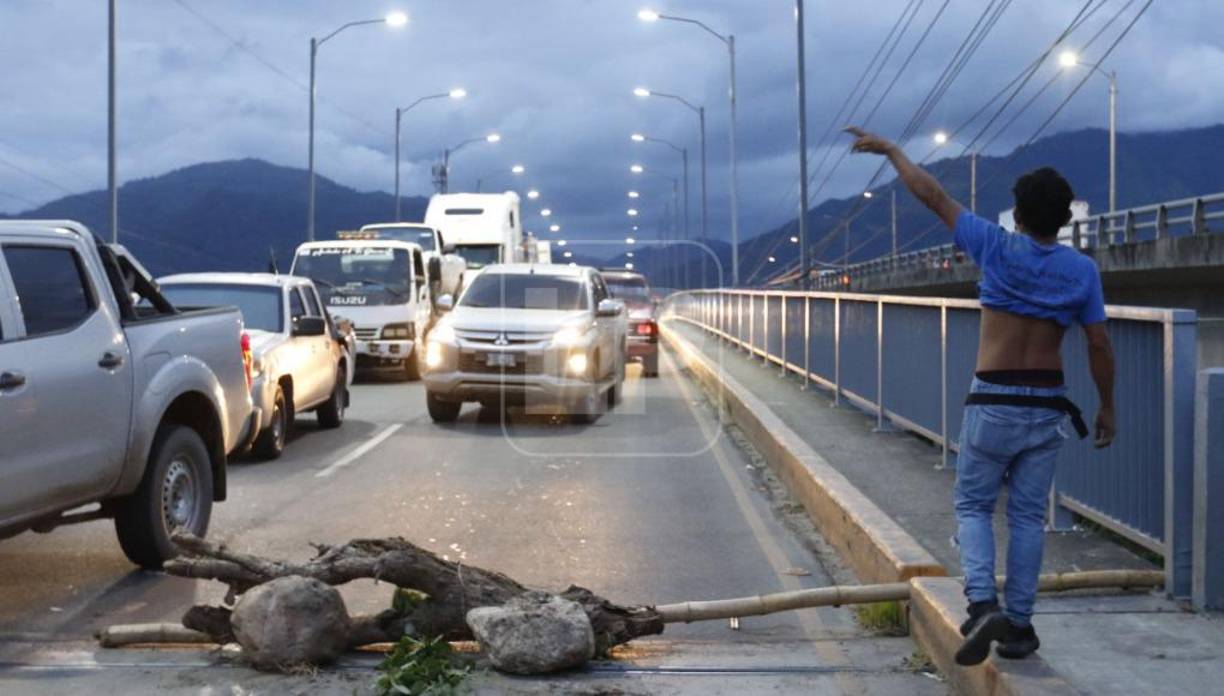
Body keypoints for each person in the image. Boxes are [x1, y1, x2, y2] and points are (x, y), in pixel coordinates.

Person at [845, 127, 1116, 666]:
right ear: (1065, 219)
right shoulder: (1082, 271)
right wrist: (1108, 405)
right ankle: (1019, 626)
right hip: (1047, 405)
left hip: (993, 398)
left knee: (973, 504)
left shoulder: (995, 245)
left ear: (1018, 217)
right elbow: (1098, 343)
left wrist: (894, 151)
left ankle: (982, 603)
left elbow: (933, 197)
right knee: (1027, 517)